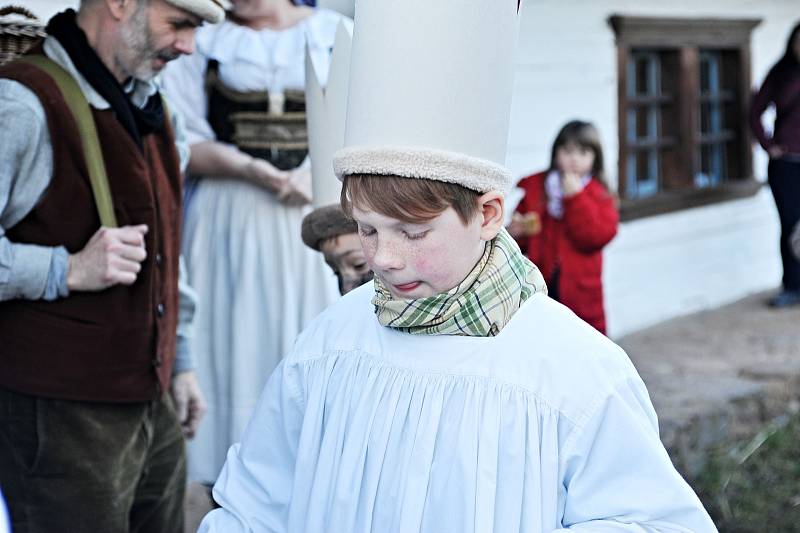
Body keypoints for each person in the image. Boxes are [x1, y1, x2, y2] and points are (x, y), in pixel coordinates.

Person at [199, 0, 716, 531]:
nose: (384, 259)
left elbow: (654, 522)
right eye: (368, 229)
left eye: (414, 232)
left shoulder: (573, 371)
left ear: (489, 214)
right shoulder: (328, 344)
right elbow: (254, 508)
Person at [0, 0, 223, 531]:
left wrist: (182, 360)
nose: (189, 46)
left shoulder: (159, 108)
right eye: (180, 24)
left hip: (151, 397)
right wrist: (66, 268)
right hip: (57, 410)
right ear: (121, 4)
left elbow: (171, 251)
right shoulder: (21, 103)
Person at [161, 0, 345, 485]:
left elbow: (362, 119)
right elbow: (183, 136)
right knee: (230, 329)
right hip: (230, 212)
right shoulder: (205, 40)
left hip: (315, 208)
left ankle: (305, 469)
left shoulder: (335, 34)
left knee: (310, 326)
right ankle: (228, 470)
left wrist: (317, 171)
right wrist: (250, 170)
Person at [509, 120, 618, 334]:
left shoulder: (599, 194)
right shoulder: (538, 188)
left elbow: (594, 237)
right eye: (567, 151)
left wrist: (575, 198)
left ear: (595, 158)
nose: (574, 158)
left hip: (580, 290)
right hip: (541, 283)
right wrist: (517, 231)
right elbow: (520, 236)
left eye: (583, 152)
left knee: (580, 340)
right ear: (556, 153)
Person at [750, 21, 800, 308]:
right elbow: (754, 111)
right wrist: (770, 146)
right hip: (787, 165)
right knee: (791, 223)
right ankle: (792, 285)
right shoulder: (780, 74)